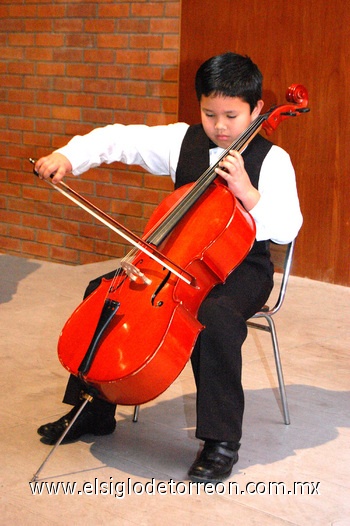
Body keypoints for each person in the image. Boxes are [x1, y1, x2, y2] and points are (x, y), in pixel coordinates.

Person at [34, 52, 303, 483]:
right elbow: (120, 139)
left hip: (242, 267)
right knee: (103, 290)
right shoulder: (184, 141)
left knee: (215, 316)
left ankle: (220, 442)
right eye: (209, 112)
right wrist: (70, 157)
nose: (219, 126)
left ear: (255, 110)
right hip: (175, 258)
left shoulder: (273, 161)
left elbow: (288, 228)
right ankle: (93, 407)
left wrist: (249, 194)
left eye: (231, 115)